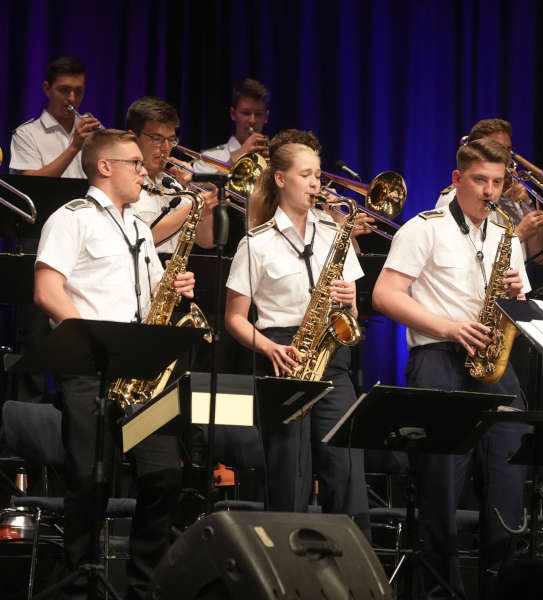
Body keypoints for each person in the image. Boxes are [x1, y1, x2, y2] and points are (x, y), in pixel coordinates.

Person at [33, 129, 196, 600]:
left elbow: (148, 298)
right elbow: (47, 291)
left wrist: (175, 289)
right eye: (135, 163)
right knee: (90, 481)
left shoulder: (140, 228)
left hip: (142, 372)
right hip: (91, 366)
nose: (145, 171)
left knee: (164, 475)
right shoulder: (72, 217)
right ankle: (78, 585)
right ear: (105, 167)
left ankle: (144, 587)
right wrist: (94, 341)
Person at [373, 137, 530, 599]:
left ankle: (502, 588)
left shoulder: (506, 235)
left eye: (497, 183)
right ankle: (442, 592)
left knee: (508, 475)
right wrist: (449, 327)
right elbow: (385, 296)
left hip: (492, 361)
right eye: (480, 180)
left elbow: (516, 310)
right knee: (440, 487)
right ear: (457, 179)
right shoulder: (425, 228)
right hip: (439, 359)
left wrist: (518, 296)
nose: (489, 191)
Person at [223, 142, 368, 531]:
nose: (315, 183)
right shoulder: (256, 243)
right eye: (306, 175)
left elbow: (352, 315)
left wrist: (351, 301)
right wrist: (269, 347)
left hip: (332, 358)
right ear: (281, 179)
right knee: (290, 475)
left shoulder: (334, 233)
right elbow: (235, 318)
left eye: (318, 175)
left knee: (346, 468)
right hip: (284, 356)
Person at [436, 118, 543, 267]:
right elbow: (461, 258)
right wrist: (520, 234)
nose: (507, 157)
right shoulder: (456, 196)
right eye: (498, 149)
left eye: (509, 150)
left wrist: (526, 205)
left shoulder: (513, 196)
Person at [125, 97, 215, 253]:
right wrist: (194, 207)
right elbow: (136, 238)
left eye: (171, 140)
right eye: (157, 139)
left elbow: (207, 241)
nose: (166, 148)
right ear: (133, 138)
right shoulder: (122, 182)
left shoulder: (174, 185)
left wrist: (196, 190)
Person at [9, 56, 101, 178]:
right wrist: (74, 148)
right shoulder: (26, 134)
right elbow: (30, 184)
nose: (72, 98)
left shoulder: (91, 132)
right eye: (64, 90)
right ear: (47, 89)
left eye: (78, 91)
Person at [194, 78, 270, 173]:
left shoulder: (274, 159)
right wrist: (238, 157)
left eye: (258, 114)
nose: (252, 120)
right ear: (233, 114)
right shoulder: (208, 158)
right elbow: (202, 187)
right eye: (246, 113)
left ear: (266, 117)